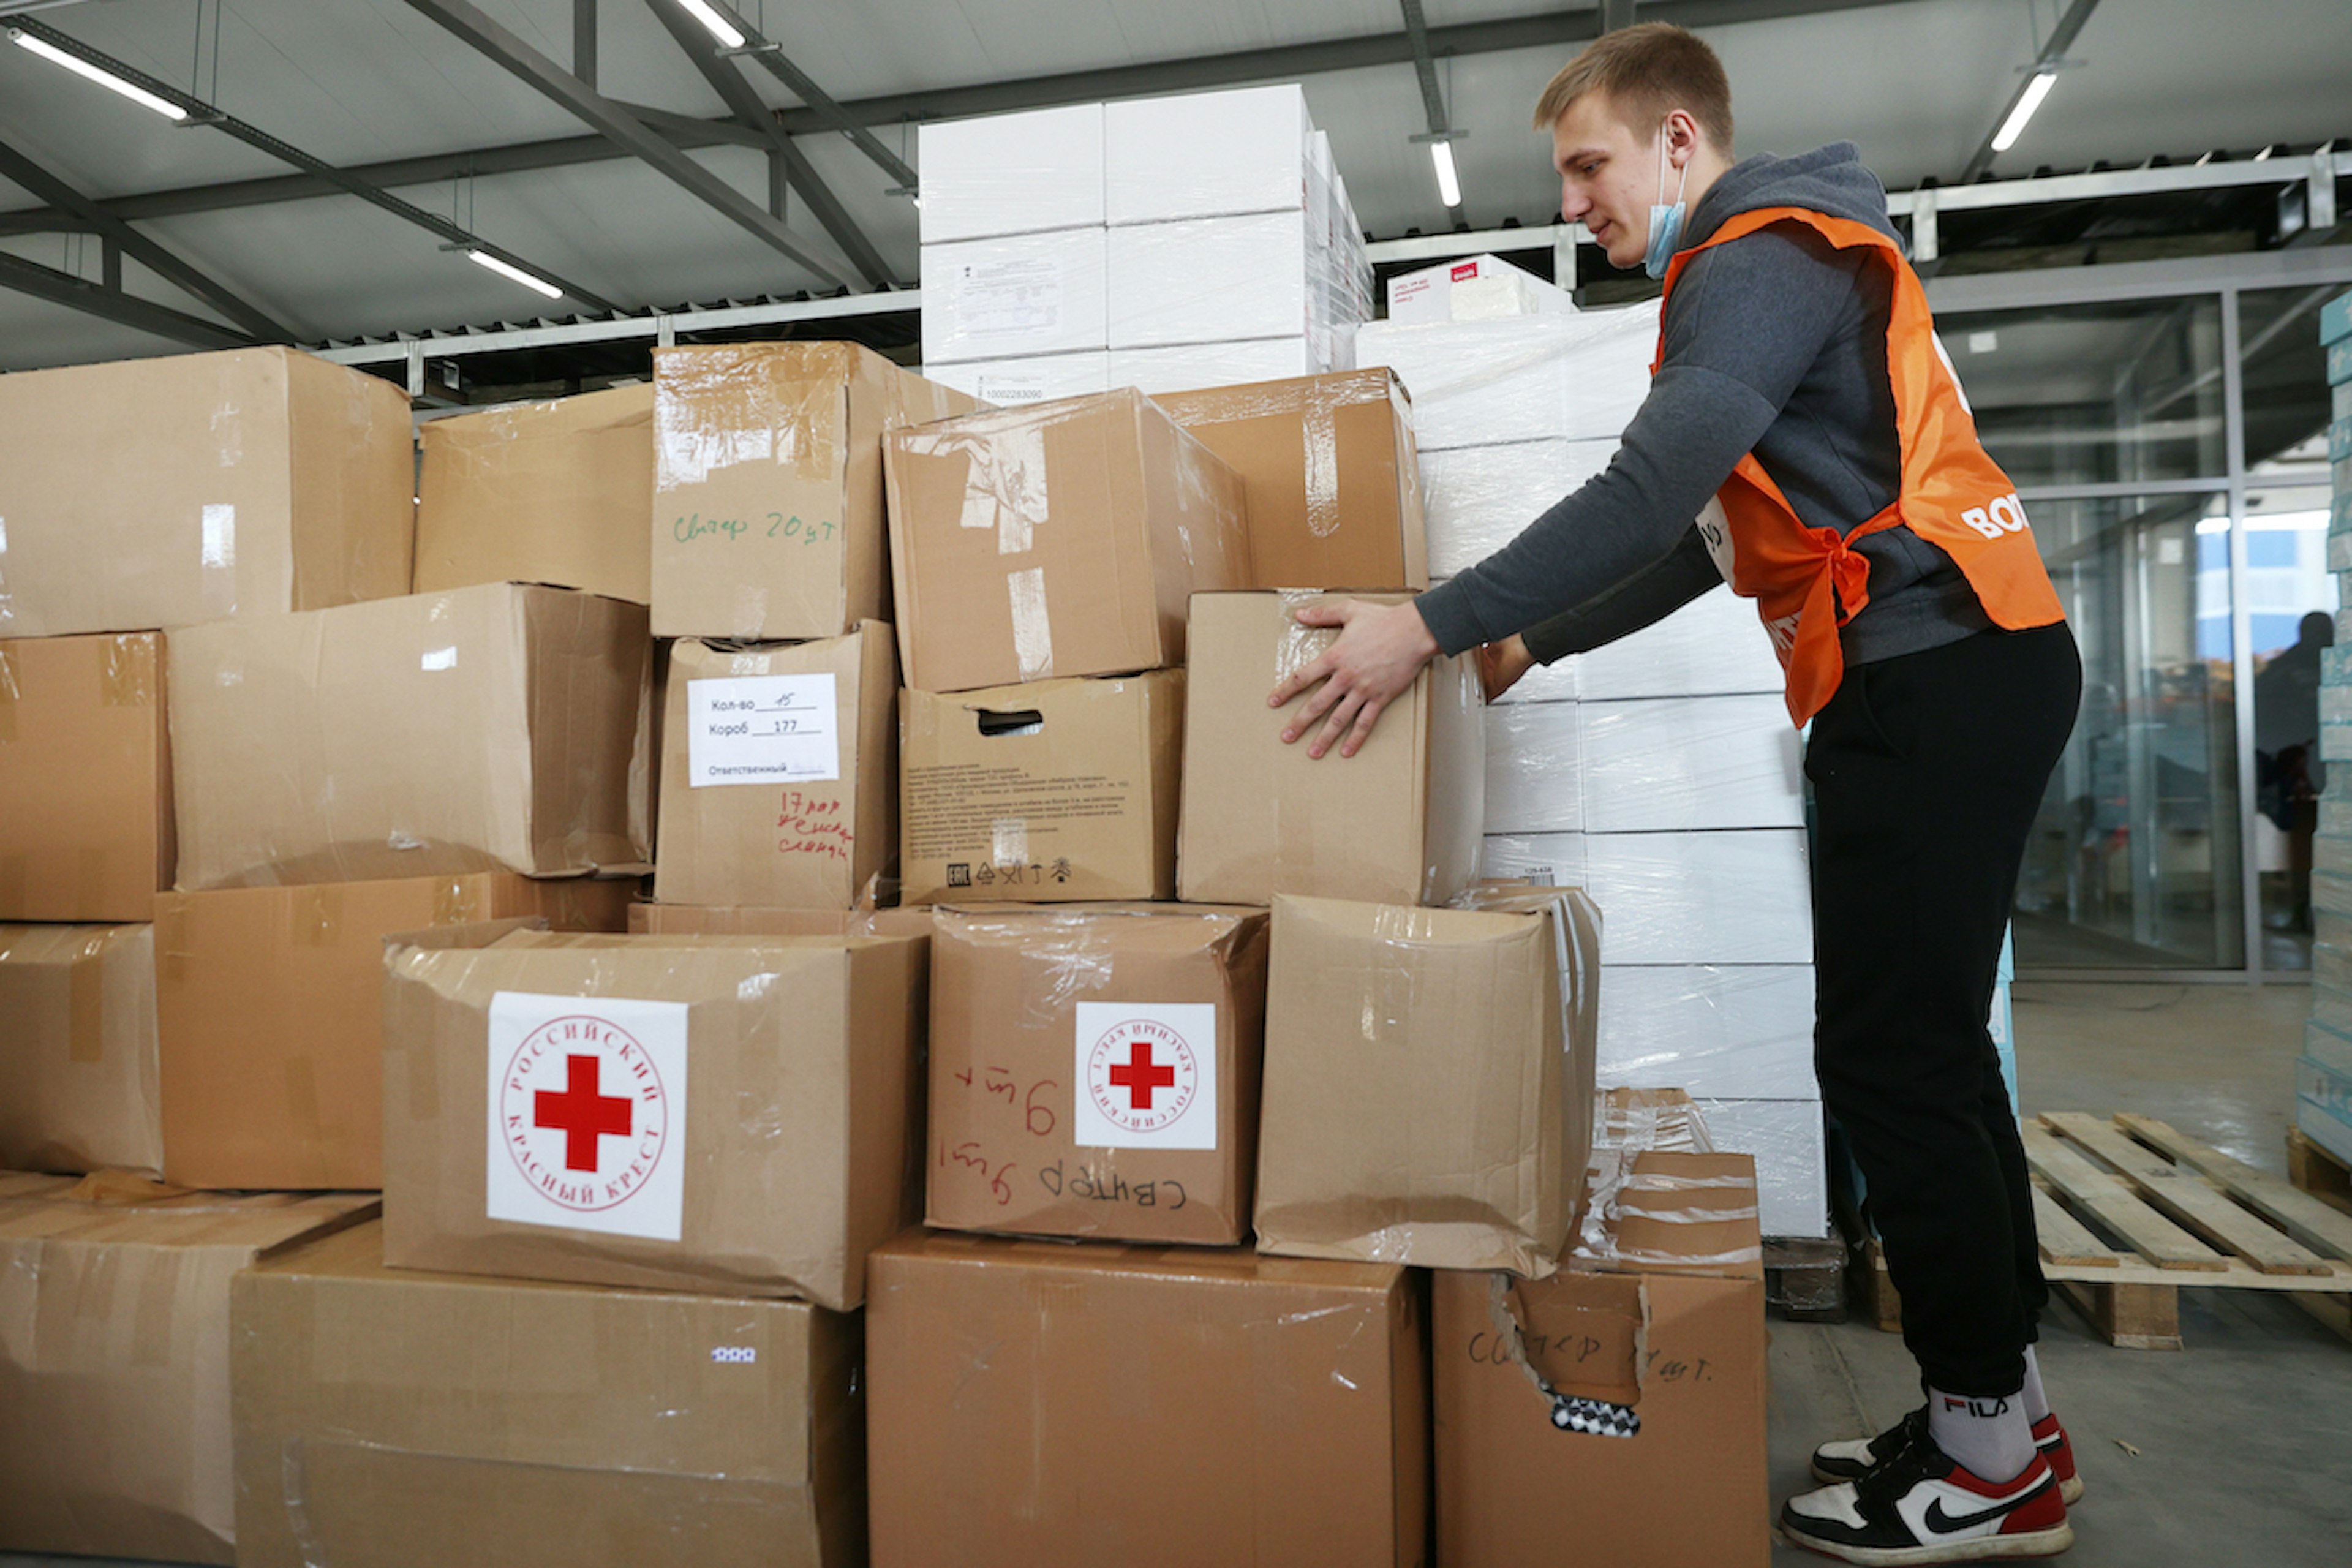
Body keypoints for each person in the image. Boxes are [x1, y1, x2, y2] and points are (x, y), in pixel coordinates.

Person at [1268, 22, 2086, 1566]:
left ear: (1674, 144)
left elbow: (1649, 489)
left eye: (1586, 165)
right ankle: (2005, 1414)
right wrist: (1518, 637)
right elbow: (1705, 543)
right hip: (1940, 666)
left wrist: (1423, 622)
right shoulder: (1771, 277)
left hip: (1930, 669)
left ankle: (1988, 1461)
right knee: (1931, 1052)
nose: (1571, 200)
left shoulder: (1755, 258)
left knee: (1890, 1059)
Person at [2254, 609, 2333, 933]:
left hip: (2307, 767)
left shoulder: (2285, 668)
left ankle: (2306, 909)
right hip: (2306, 769)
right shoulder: (2292, 669)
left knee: (2305, 843)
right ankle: (2306, 910)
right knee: (2305, 841)